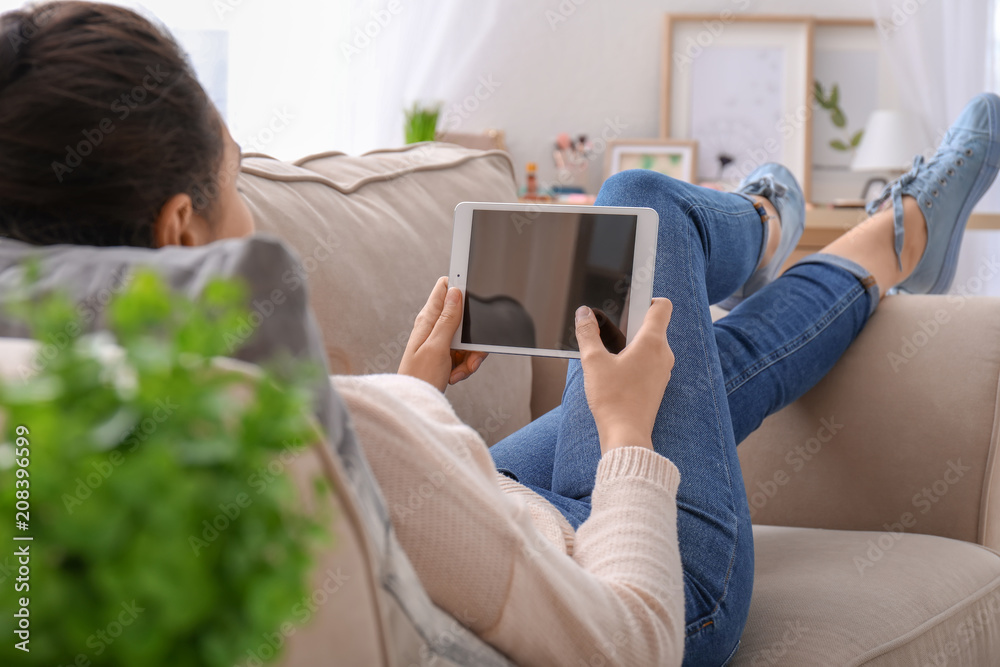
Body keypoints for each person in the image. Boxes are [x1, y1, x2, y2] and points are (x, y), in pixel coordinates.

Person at [1, 3, 998, 665]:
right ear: (180, 229)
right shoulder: (355, 442)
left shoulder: (59, 419)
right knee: (644, 205)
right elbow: (632, 640)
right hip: (652, 588)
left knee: (673, 347)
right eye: (234, 180)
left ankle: (869, 247)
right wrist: (623, 439)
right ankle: (811, 231)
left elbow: (378, 522)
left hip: (490, 529)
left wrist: (411, 397)